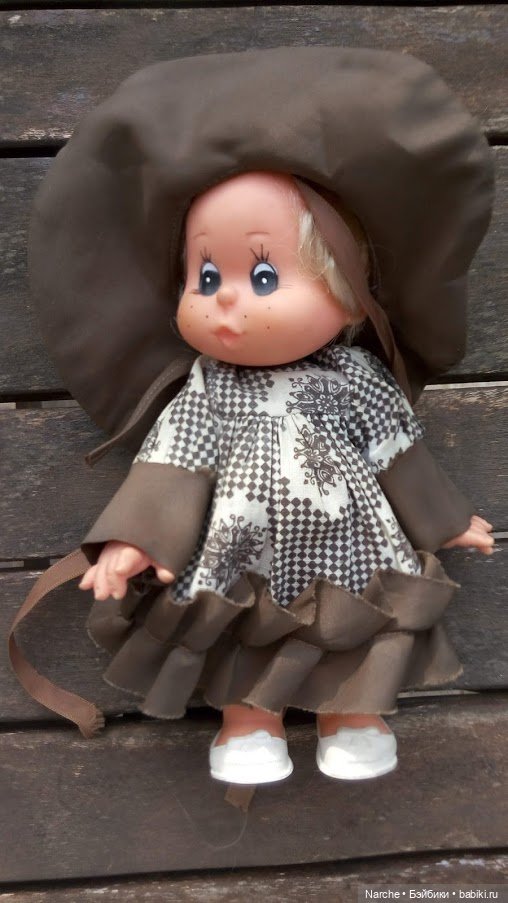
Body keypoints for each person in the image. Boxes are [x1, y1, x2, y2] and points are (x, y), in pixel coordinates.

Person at [77, 171, 494, 784]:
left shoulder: (355, 376)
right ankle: (250, 721)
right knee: (244, 628)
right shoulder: (211, 384)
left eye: (264, 277)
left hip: (347, 544)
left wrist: (444, 519)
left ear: (348, 295)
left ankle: (350, 713)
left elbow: (397, 450)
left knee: (352, 620)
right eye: (207, 277)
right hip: (242, 550)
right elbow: (175, 462)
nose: (225, 298)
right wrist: (137, 538)